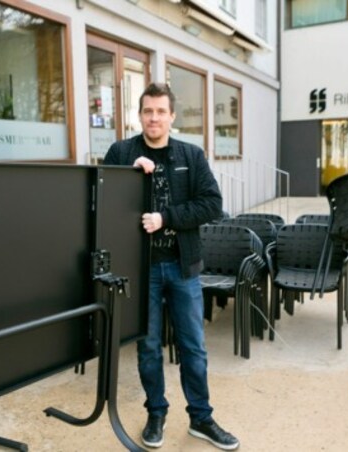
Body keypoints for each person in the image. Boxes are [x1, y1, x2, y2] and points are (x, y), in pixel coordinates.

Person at [104, 83, 239, 450]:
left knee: (193, 346)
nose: (154, 118)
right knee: (148, 347)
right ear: (140, 114)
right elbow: (100, 200)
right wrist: (128, 176)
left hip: (183, 267)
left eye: (161, 111)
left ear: (172, 117)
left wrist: (167, 217)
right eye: (148, 111)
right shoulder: (122, 152)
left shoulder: (191, 156)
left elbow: (212, 204)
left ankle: (201, 417)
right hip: (142, 267)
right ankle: (156, 413)